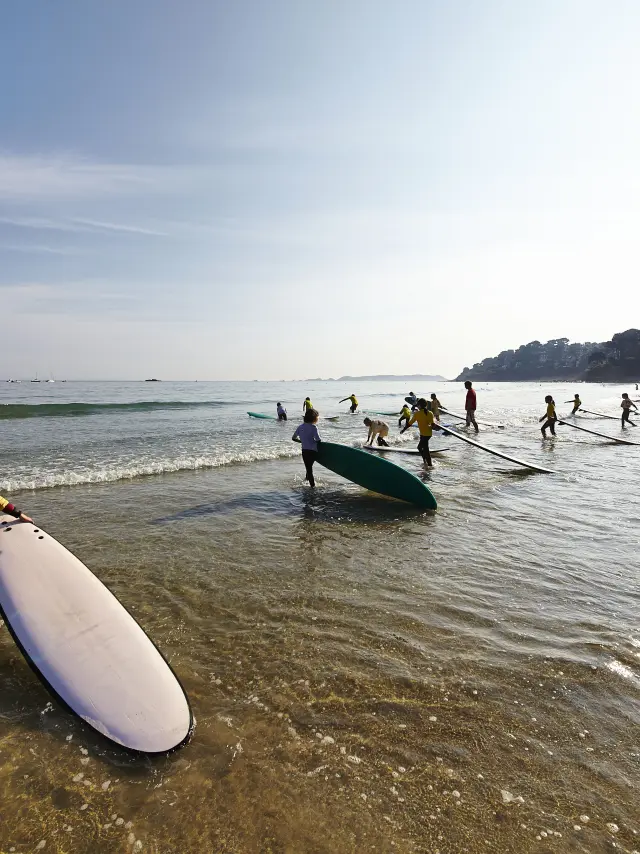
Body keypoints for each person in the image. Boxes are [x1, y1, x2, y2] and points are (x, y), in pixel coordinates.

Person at [292, 408, 321, 487]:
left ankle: (307, 480)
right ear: (314, 418)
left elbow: (293, 438)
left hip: (304, 451)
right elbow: (318, 439)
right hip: (313, 451)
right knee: (309, 468)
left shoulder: (300, 427)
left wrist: (302, 441)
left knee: (308, 468)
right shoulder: (314, 427)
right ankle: (313, 487)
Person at [400, 398, 433, 466]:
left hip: (424, 434)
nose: (417, 406)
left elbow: (409, 423)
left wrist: (403, 429)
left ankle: (429, 465)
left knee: (425, 449)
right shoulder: (430, 413)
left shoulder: (417, 414)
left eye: (418, 404)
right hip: (428, 434)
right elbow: (432, 424)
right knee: (420, 447)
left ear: (420, 405)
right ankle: (425, 461)